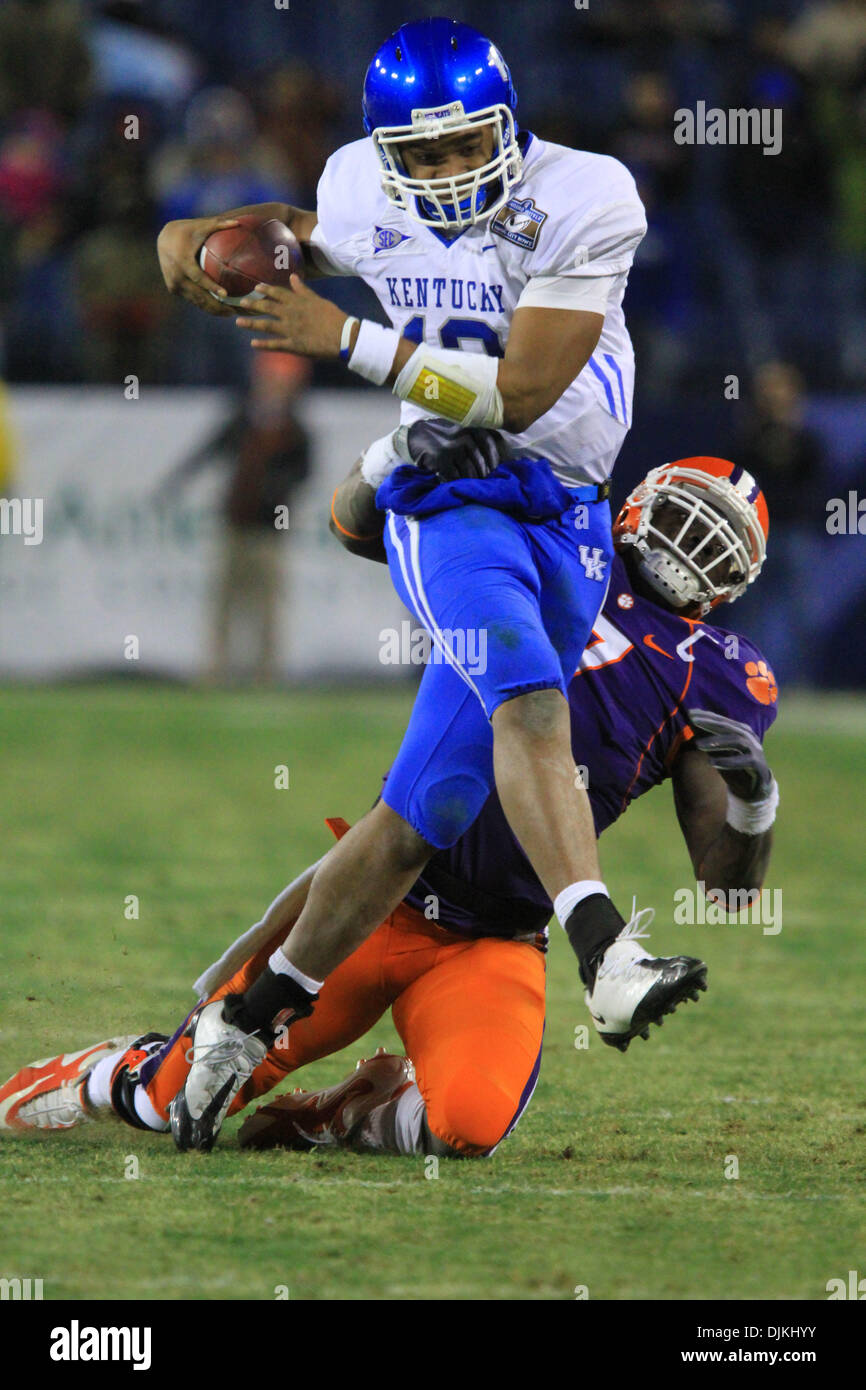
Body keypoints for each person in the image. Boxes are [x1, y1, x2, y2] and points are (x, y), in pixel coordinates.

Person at [154, 17, 699, 1152]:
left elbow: (521, 391)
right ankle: (602, 946)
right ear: (382, 149)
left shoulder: (586, 195)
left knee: (422, 817)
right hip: (445, 496)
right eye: (423, 153)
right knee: (526, 690)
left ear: (508, 129)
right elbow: (309, 229)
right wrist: (207, 232)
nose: (446, 171)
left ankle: (243, 1024)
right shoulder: (361, 183)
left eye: (466, 147)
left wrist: (336, 335)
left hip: (564, 508)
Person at [0, 456, 779, 1160]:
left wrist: (754, 804)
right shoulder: (551, 542)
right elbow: (360, 524)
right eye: (685, 517)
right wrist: (395, 462)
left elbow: (730, 884)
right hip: (381, 894)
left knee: (470, 1125)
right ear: (637, 505)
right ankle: (107, 1075)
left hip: (496, 936)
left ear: (737, 580)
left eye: (719, 537)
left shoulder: (716, 673)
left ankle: (341, 1114)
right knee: (173, 1103)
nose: (692, 545)